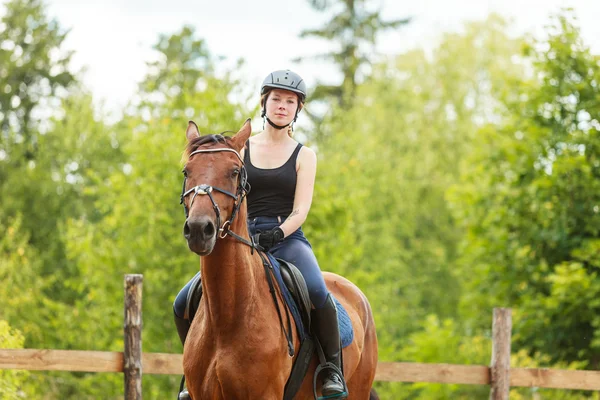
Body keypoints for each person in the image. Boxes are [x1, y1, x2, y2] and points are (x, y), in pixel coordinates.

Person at [173, 69, 347, 399]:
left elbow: (301, 210)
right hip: (241, 236)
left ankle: (331, 371)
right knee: (183, 301)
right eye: (276, 99)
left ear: (298, 109)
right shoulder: (240, 149)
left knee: (317, 291)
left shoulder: (304, 155)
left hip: (287, 238)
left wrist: (278, 233)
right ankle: (194, 373)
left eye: (290, 101)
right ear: (264, 103)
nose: (282, 106)